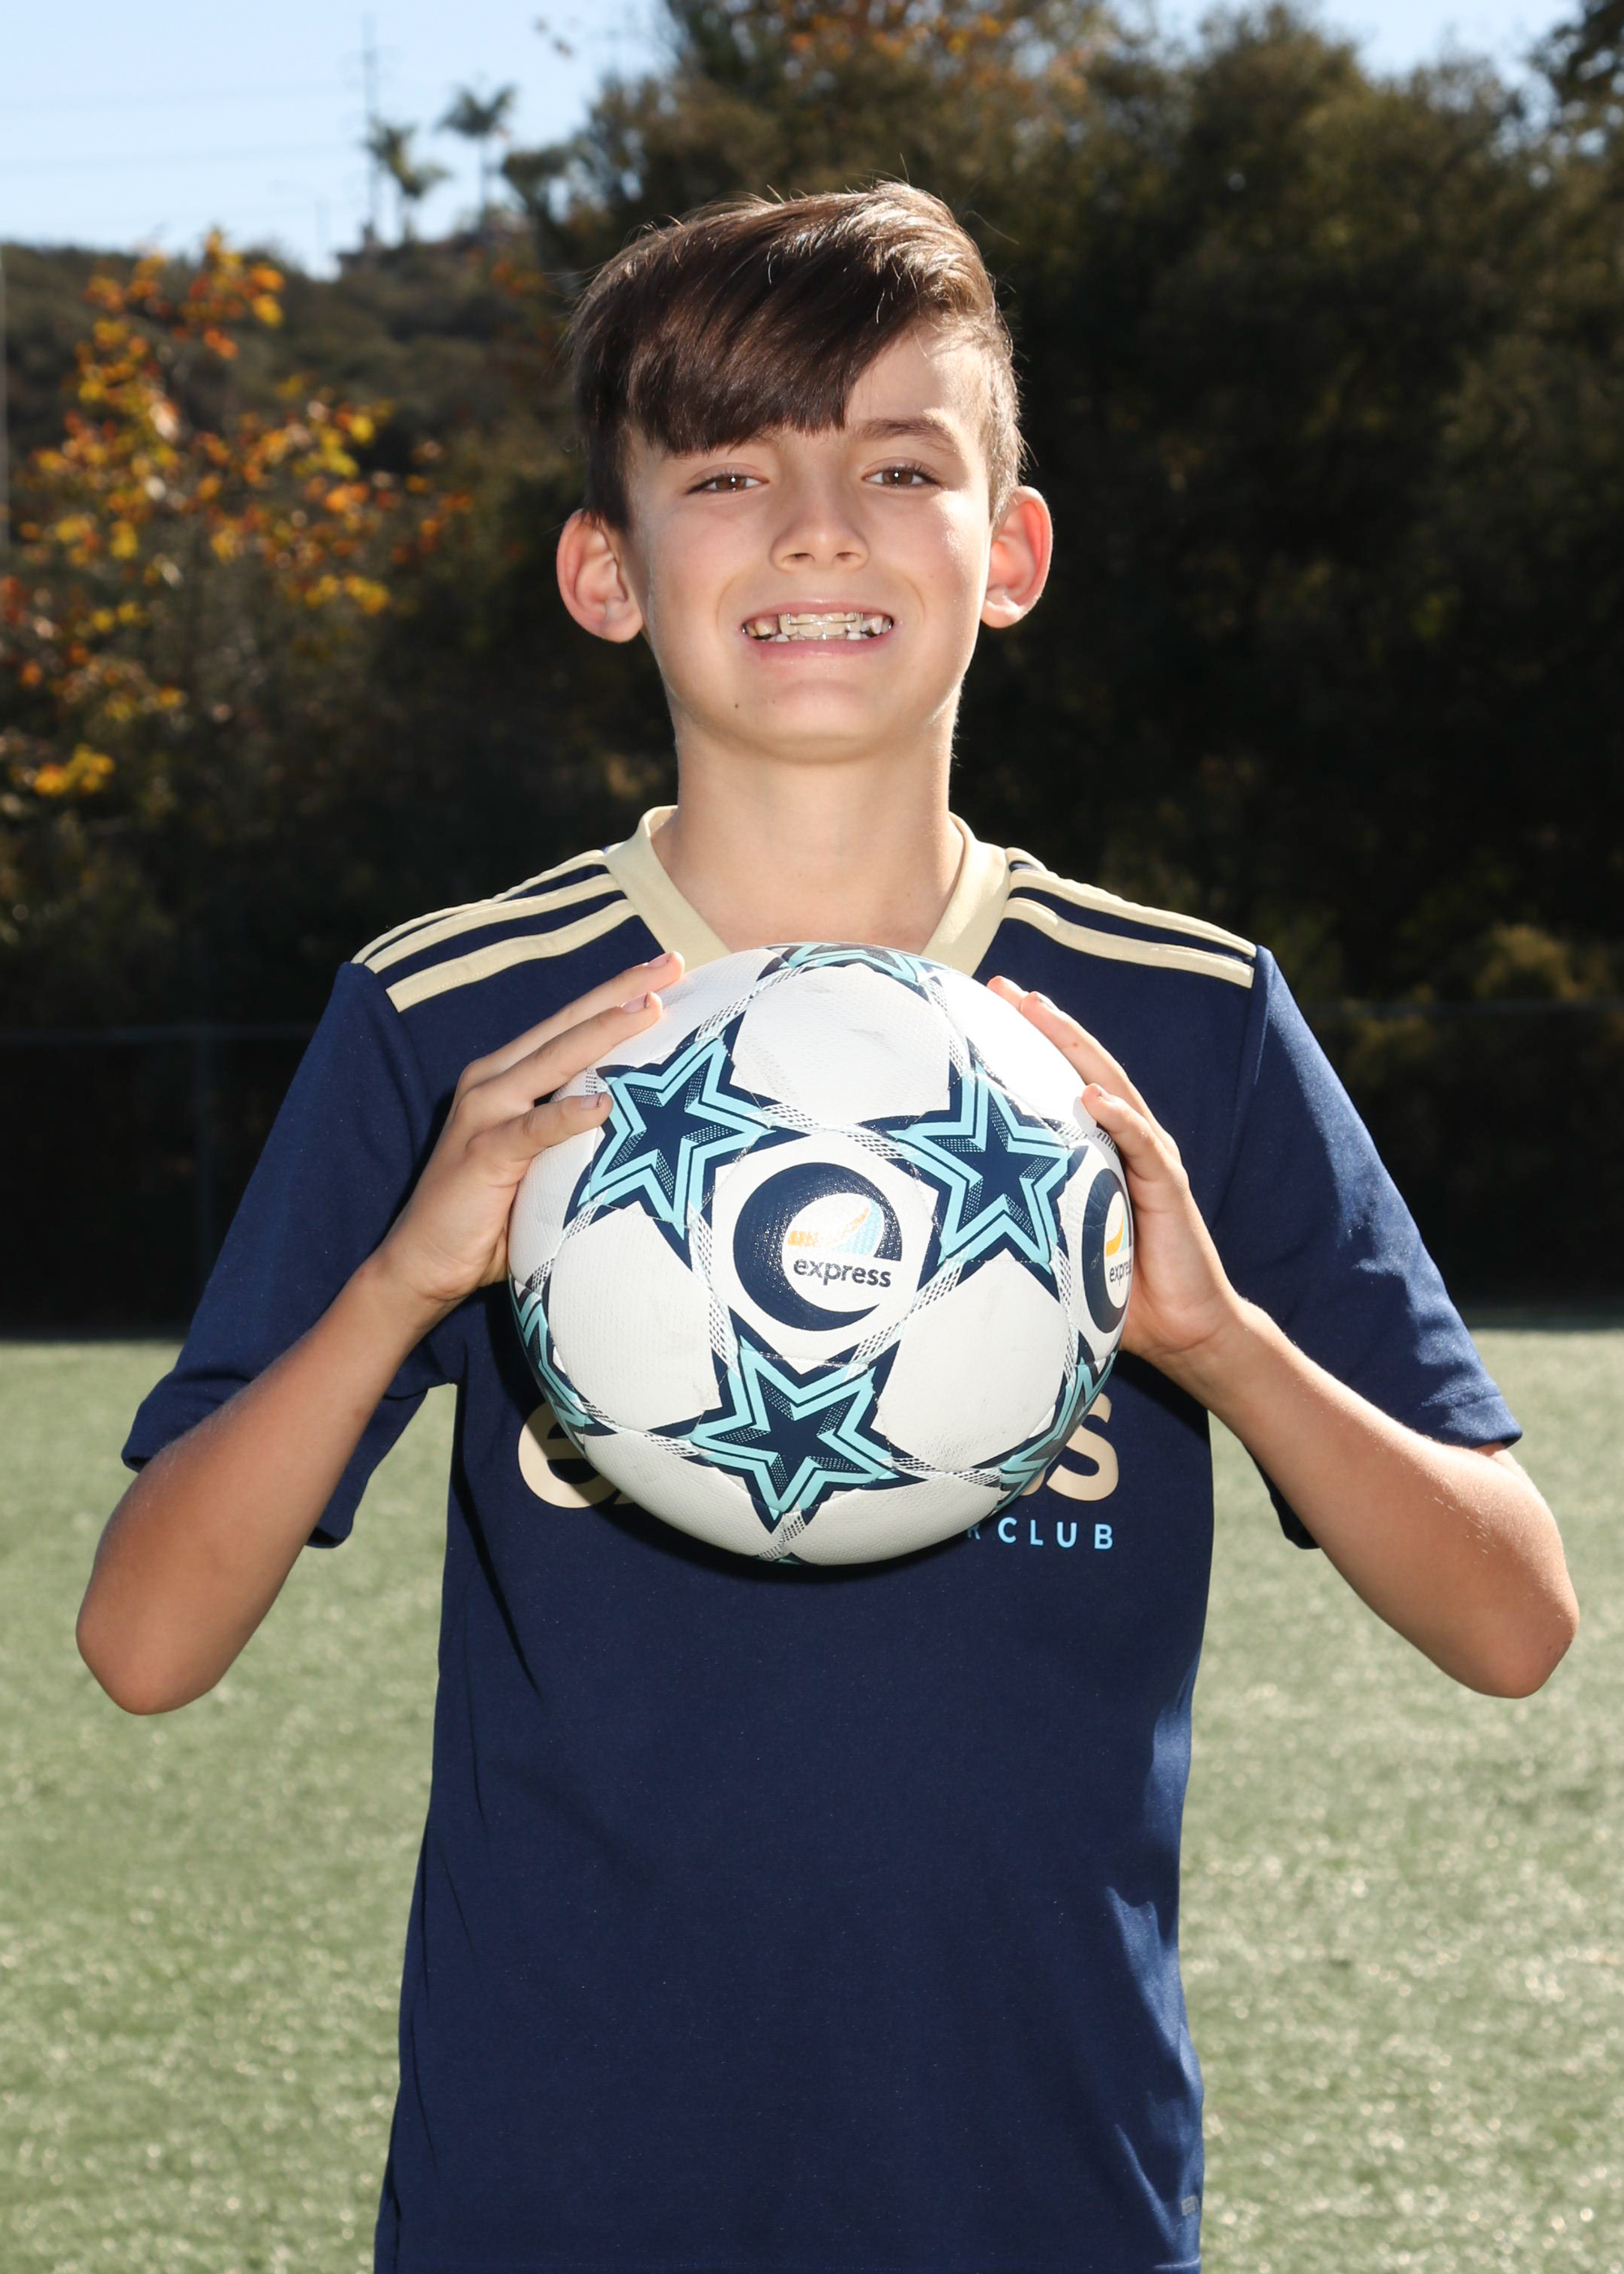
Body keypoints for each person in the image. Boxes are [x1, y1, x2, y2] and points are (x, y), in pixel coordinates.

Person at [79, 183, 1579, 2274]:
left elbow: (1514, 1619)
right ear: (605, 569)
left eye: (897, 466)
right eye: (726, 471)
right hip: (557, 2193)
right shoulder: (449, 1014)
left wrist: (1220, 1344)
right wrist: (406, 1274)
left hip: (1039, 2188)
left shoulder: (1181, 1019)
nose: (814, 530)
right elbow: (146, 1641)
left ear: (1011, 548)